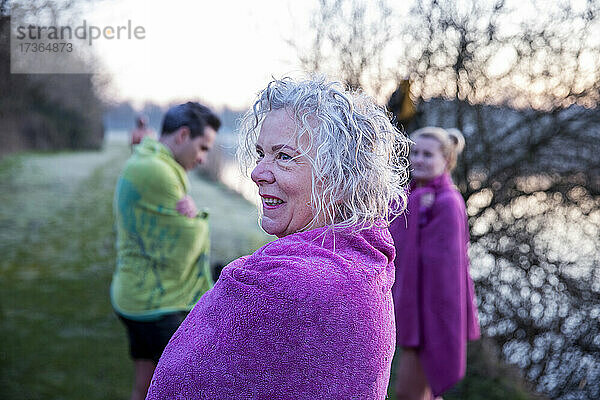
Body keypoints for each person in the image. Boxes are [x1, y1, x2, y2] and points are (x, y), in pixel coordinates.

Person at [145, 76, 411, 399]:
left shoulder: (282, 286)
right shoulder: (368, 266)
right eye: (261, 154)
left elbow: (178, 384)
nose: (257, 173)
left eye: (283, 156)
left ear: (340, 180)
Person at [112, 102, 221, 400]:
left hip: (132, 295)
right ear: (183, 135)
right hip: (155, 305)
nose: (202, 158)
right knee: (187, 388)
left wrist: (191, 218)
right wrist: (200, 220)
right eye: (202, 148)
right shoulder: (157, 171)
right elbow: (187, 241)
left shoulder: (148, 159)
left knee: (144, 385)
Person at [389, 126, 480, 399]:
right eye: (415, 152)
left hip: (430, 318)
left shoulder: (447, 202)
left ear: (447, 160)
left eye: (428, 155)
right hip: (414, 311)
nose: (418, 159)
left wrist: (430, 323)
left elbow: (445, 274)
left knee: (410, 394)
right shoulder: (415, 194)